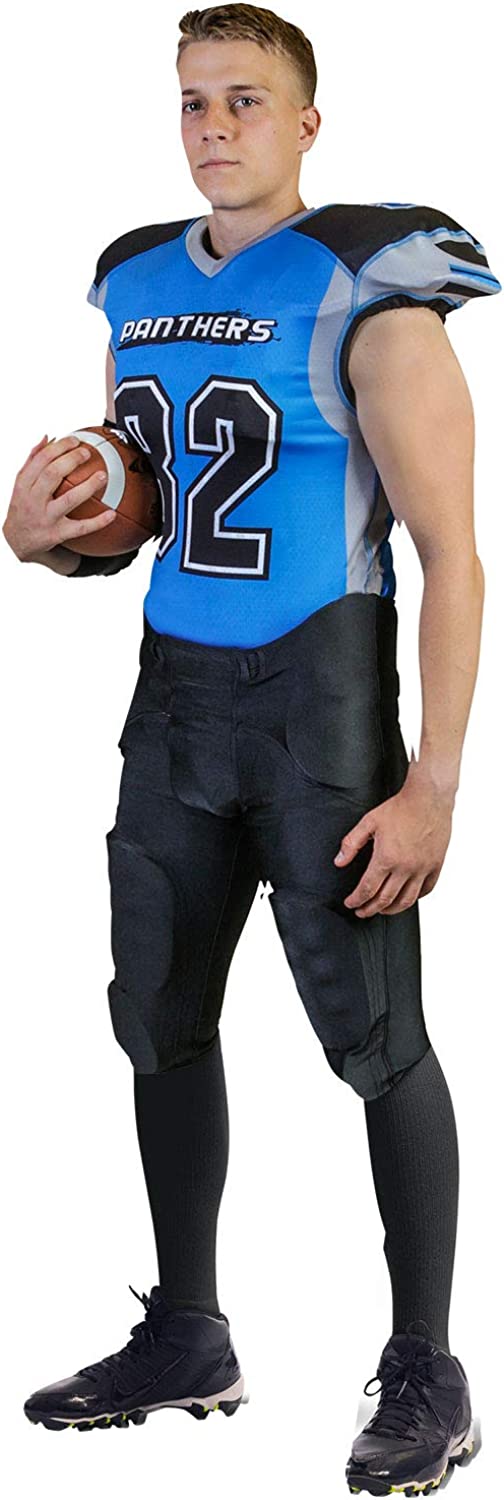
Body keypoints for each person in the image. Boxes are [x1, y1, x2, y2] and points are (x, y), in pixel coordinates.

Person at [6, 4, 501, 1490]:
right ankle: (189, 1332)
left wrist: (434, 782)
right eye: (192, 101)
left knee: (373, 1034)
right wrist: (45, 536)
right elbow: (147, 507)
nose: (214, 125)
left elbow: (454, 557)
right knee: (155, 1012)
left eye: (244, 100)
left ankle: (429, 1365)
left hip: (320, 707)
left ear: (305, 124)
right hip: (172, 702)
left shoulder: (371, 285)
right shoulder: (137, 282)